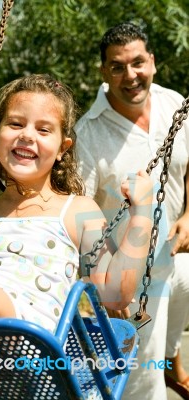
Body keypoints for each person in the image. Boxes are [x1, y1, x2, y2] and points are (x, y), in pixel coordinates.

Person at [0, 73, 153, 399]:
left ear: (62, 148)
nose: (27, 135)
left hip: (32, 350)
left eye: (44, 129)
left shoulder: (75, 209)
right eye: (15, 124)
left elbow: (115, 292)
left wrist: (141, 212)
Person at [75, 22, 189, 400]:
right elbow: (80, 211)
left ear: (152, 62)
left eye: (138, 63)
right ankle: (158, 373)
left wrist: (188, 215)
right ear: (103, 72)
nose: (131, 76)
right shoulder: (88, 133)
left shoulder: (174, 103)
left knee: (185, 287)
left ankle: (172, 361)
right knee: (143, 379)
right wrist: (104, 284)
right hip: (130, 270)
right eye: (117, 67)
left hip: (173, 251)